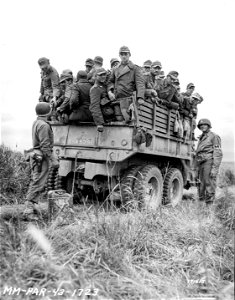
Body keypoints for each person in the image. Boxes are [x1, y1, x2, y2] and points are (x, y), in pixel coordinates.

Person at [24, 102, 59, 216]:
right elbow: (45, 146)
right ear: (48, 112)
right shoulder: (44, 125)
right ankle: (28, 209)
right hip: (41, 158)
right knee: (38, 182)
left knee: (37, 181)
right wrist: (53, 159)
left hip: (36, 155)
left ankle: (33, 205)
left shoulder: (37, 122)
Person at [107, 46, 145, 122]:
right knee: (118, 120)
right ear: (119, 55)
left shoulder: (135, 68)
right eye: (122, 54)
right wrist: (110, 92)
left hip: (128, 99)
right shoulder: (115, 69)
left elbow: (140, 83)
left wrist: (140, 97)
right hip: (116, 99)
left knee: (128, 121)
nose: (124, 56)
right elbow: (110, 81)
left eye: (126, 54)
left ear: (129, 55)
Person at [195, 119, 223, 205]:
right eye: (201, 125)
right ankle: (202, 206)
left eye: (205, 125)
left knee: (209, 183)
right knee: (201, 185)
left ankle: (209, 207)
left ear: (208, 126)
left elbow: (217, 153)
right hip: (201, 162)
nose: (202, 126)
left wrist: (214, 169)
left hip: (209, 162)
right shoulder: (202, 137)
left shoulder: (214, 136)